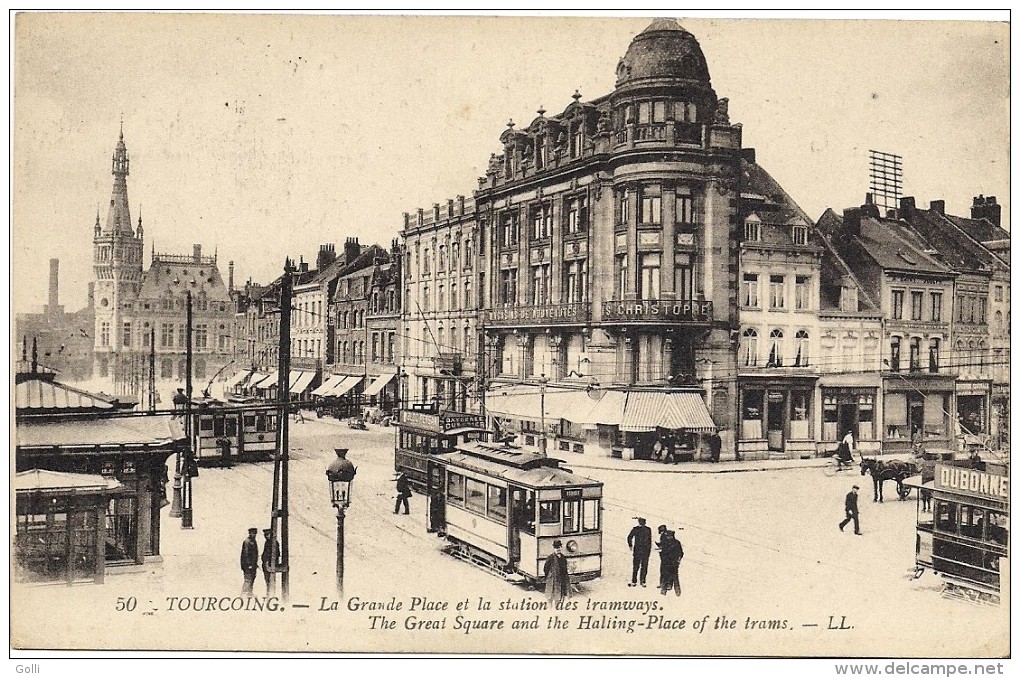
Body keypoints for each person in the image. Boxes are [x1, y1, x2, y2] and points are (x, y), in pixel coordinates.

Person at [627, 517, 652, 587]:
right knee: (641, 567)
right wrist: (630, 545)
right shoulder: (647, 529)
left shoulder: (637, 529)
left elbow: (629, 537)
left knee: (639, 566)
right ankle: (640, 581)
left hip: (640, 551)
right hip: (643, 551)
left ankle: (638, 581)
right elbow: (629, 537)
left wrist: (630, 546)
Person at [657, 529, 683, 596]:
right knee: (674, 578)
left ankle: (664, 592)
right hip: (672, 563)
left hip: (669, 563)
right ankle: (677, 592)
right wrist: (678, 560)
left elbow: (680, 553)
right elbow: (681, 553)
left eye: (669, 536)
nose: (668, 537)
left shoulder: (667, 543)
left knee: (670, 577)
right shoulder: (676, 542)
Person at [544, 539, 570, 604]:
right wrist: (550, 576)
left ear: (561, 547)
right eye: (556, 548)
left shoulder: (563, 557)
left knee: (559, 597)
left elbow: (565, 569)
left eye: (559, 547)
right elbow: (545, 569)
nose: (557, 549)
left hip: (561, 580)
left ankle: (557, 609)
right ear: (553, 549)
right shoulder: (550, 558)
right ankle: (549, 610)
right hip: (552, 580)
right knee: (550, 596)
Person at [240, 527, 259, 595]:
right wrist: (249, 565)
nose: (254, 535)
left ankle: (249, 593)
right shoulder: (247, 542)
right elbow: (246, 554)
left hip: (253, 565)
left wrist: (254, 564)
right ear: (249, 533)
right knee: (248, 580)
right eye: (253, 533)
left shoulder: (253, 541)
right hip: (248, 566)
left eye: (255, 533)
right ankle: (244, 594)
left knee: (252, 579)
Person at [261, 528, 281, 596]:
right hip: (267, 565)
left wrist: (267, 565)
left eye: (267, 534)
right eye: (265, 535)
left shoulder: (273, 543)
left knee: (270, 582)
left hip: (269, 565)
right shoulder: (268, 542)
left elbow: (276, 554)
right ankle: (269, 595)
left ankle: (270, 596)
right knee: (268, 582)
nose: (266, 536)